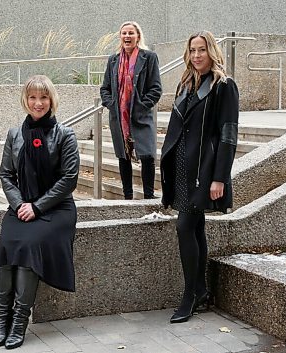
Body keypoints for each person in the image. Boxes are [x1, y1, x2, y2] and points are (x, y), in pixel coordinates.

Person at [0, 75, 80, 349]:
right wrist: (20, 204)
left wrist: (37, 206)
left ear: (51, 100)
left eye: (43, 98)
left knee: (29, 244)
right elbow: (6, 175)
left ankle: (20, 322)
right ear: (25, 100)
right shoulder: (14, 134)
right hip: (21, 206)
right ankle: (2, 321)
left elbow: (69, 179)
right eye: (32, 97)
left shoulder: (65, 134)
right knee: (7, 245)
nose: (38, 103)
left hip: (56, 209)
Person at [160, 31, 239, 323]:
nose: (196, 55)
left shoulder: (224, 86)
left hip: (203, 171)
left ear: (212, 51)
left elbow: (229, 135)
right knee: (195, 227)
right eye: (192, 50)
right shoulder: (186, 82)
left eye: (201, 50)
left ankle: (189, 295)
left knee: (184, 227)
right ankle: (202, 290)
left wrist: (219, 177)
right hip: (181, 168)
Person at [100, 21, 162, 200]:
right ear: (120, 37)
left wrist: (142, 105)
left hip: (140, 116)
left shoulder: (149, 57)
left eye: (131, 33)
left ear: (138, 36)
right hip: (119, 117)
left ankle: (149, 197)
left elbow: (156, 88)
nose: (127, 36)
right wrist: (111, 104)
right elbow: (105, 88)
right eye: (124, 33)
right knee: (123, 156)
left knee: (147, 156)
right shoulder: (113, 59)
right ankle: (128, 197)